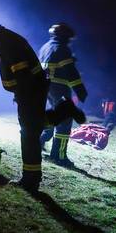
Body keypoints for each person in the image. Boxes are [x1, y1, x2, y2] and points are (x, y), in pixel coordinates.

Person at [0, 20, 85, 192]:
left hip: (30, 91)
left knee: (29, 135)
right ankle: (64, 110)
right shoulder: (5, 39)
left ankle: (30, 181)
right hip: (33, 89)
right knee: (35, 126)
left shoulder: (5, 42)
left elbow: (22, 71)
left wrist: (22, 95)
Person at [39, 23, 88, 168]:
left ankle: (39, 142)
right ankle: (58, 156)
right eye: (69, 39)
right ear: (65, 36)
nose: (69, 41)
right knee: (64, 121)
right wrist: (80, 90)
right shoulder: (61, 48)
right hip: (59, 88)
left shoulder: (46, 47)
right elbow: (70, 72)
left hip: (45, 87)